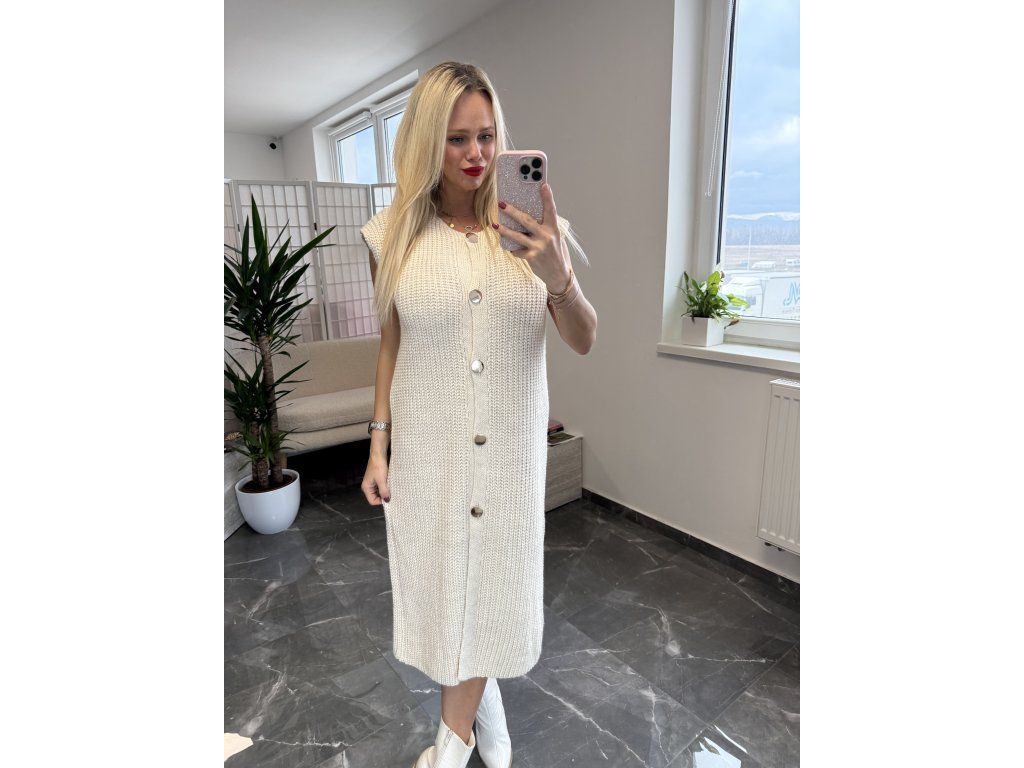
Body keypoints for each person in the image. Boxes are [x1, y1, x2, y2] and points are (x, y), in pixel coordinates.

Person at [359, 61, 597, 768]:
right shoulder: (389, 237)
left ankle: (451, 745)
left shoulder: (537, 233)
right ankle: (489, 732)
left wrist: (558, 276)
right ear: (426, 141)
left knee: (491, 591)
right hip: (430, 453)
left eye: (487, 136)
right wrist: (378, 445)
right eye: (457, 138)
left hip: (509, 461)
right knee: (446, 597)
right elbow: (390, 345)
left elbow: (585, 338)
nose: (476, 154)